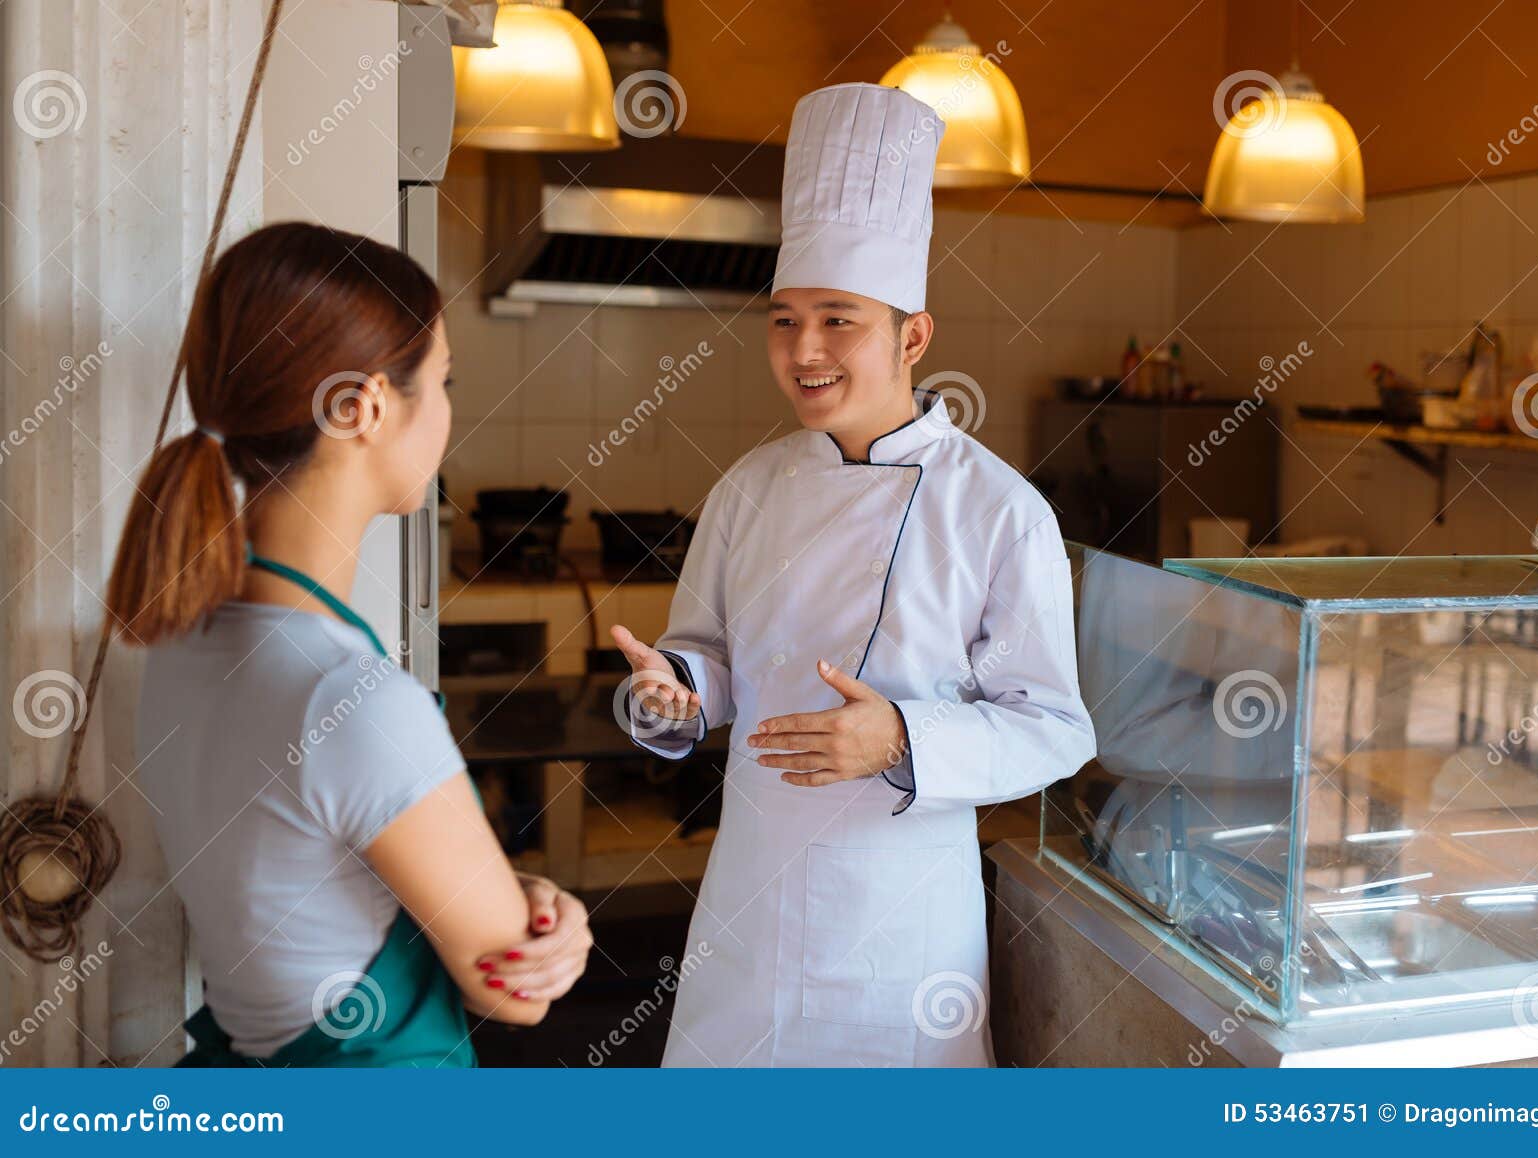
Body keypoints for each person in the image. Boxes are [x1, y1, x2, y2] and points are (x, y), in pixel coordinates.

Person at [609, 83, 1097, 1067]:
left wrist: (901, 735)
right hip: (750, 898)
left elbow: (1054, 729)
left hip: (900, 920)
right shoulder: (749, 488)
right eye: (785, 322)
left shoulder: (997, 512)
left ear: (912, 336)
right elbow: (705, 656)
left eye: (839, 320)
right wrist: (672, 693)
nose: (805, 352)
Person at [109, 222, 590, 1067]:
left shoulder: (183, 642)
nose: (444, 411)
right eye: (440, 381)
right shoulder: (349, 697)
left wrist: (498, 889)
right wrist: (560, 924)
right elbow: (514, 991)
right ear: (363, 406)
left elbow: (318, 885)